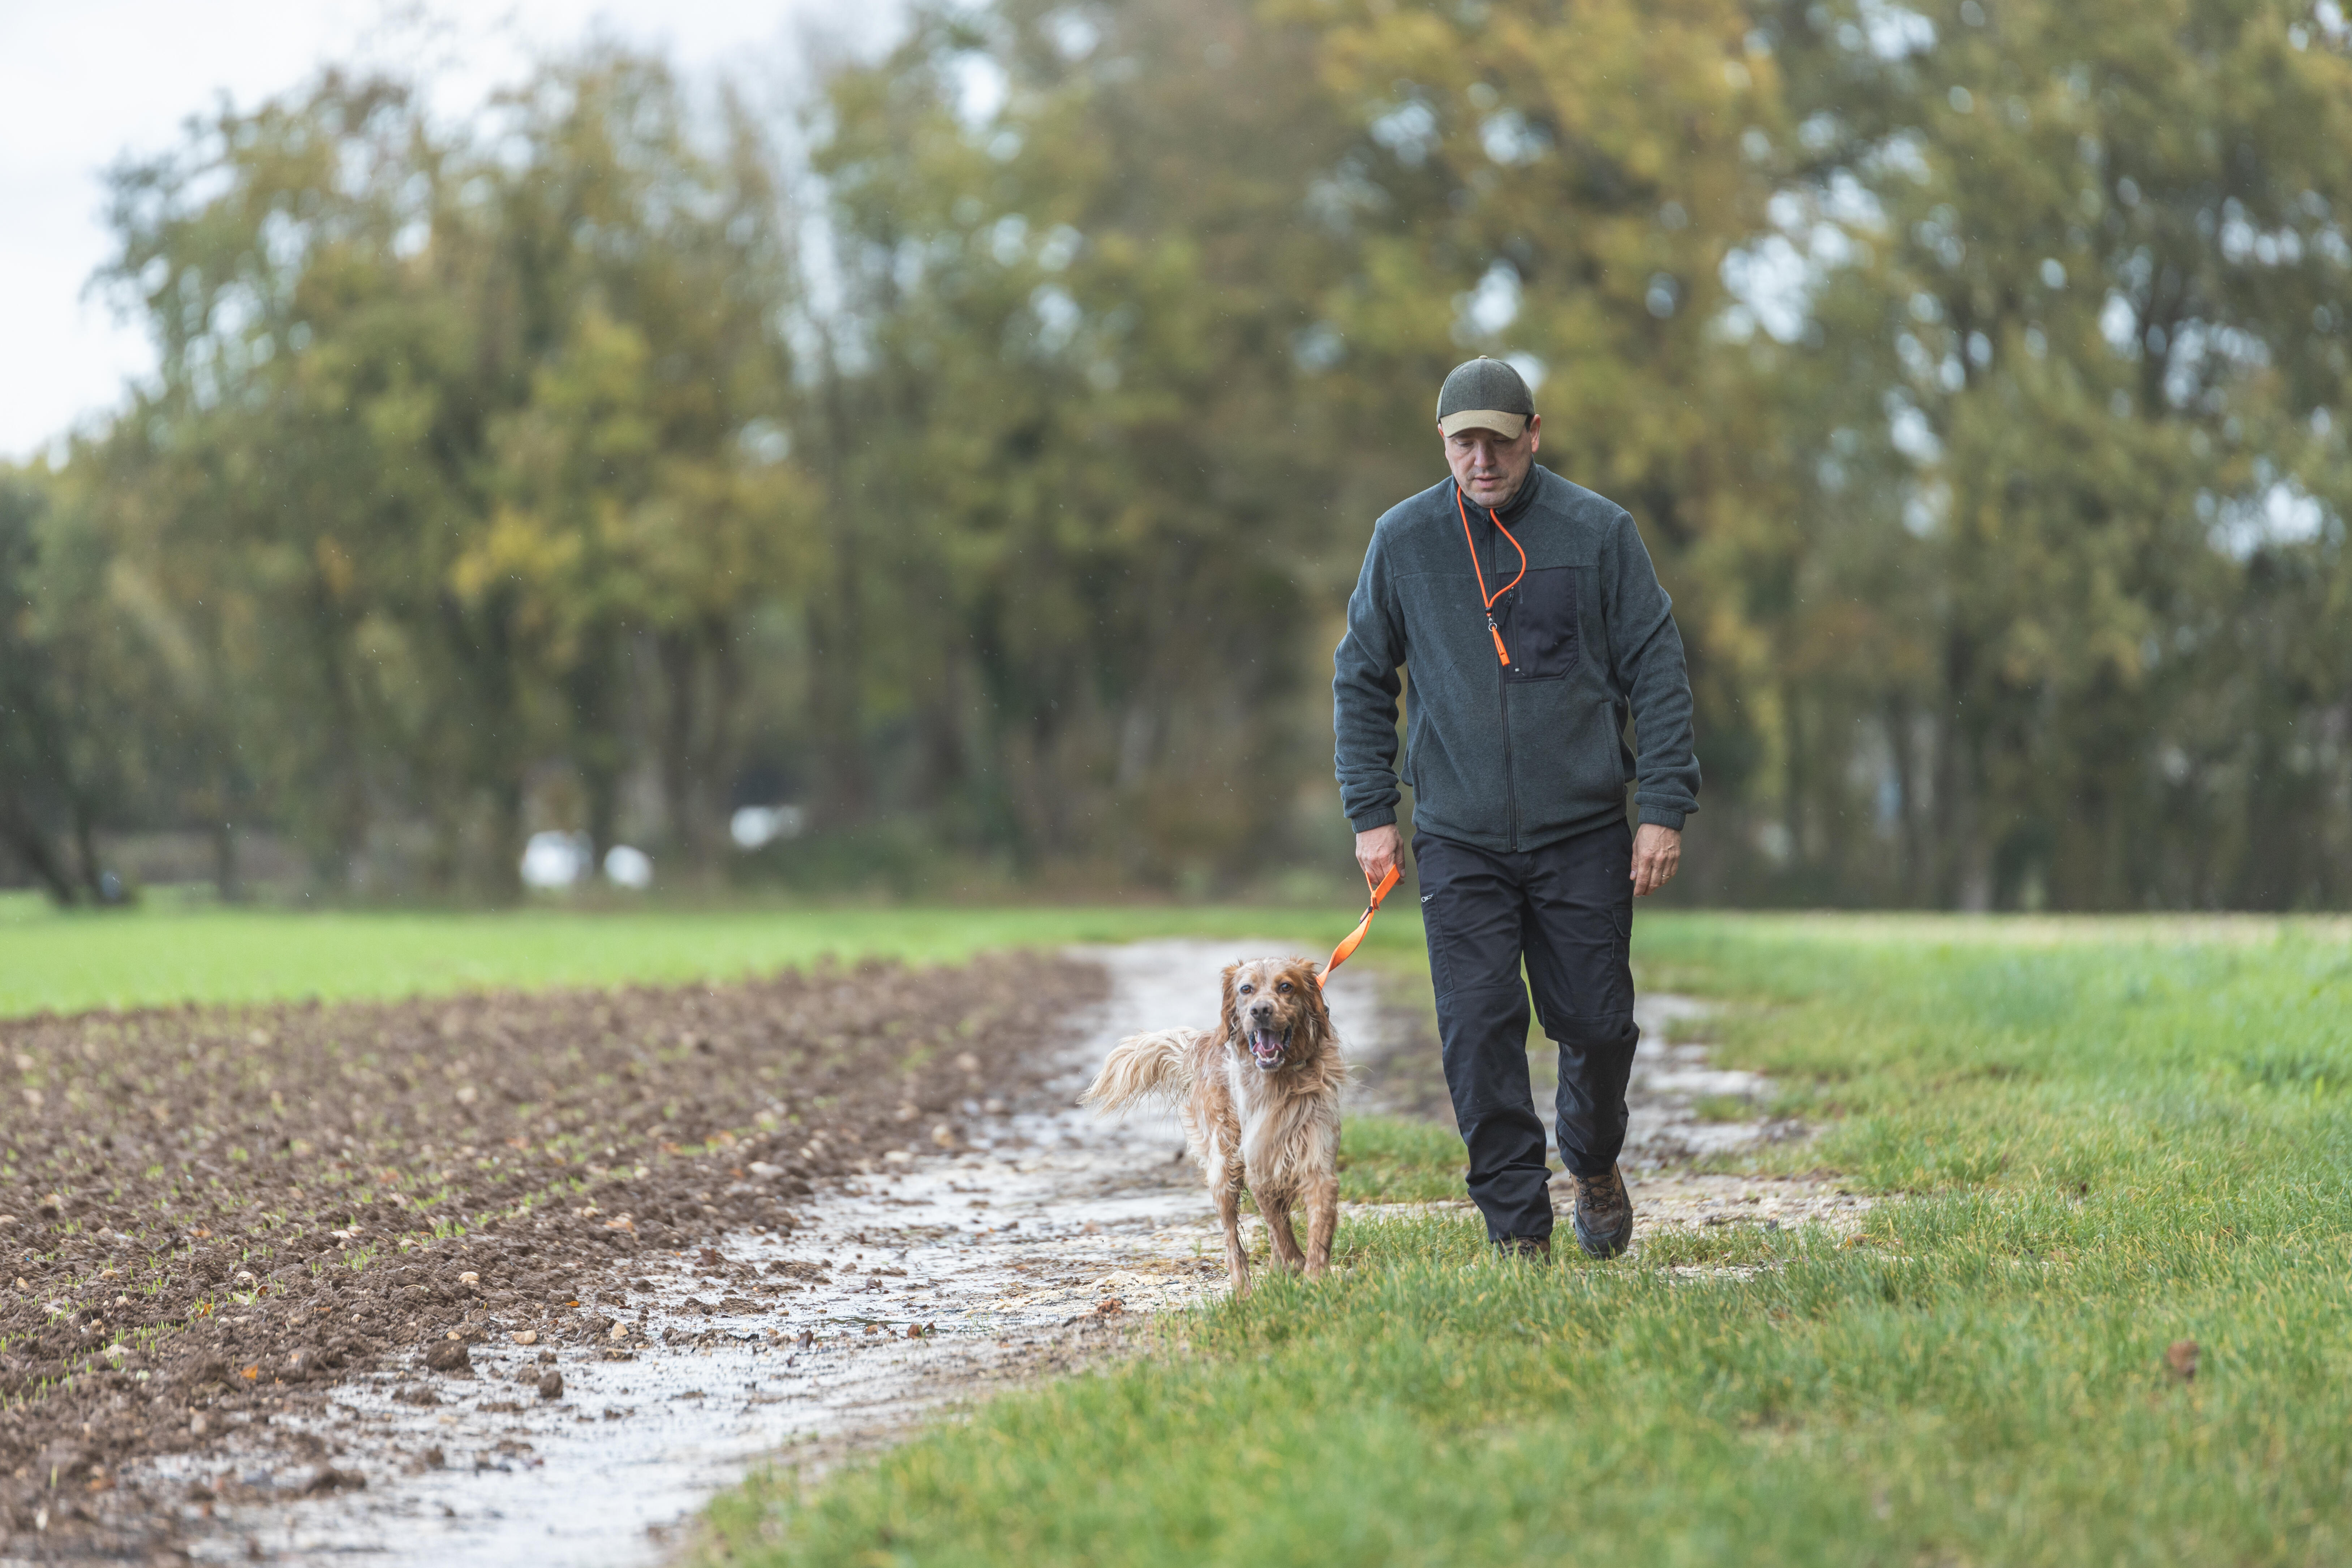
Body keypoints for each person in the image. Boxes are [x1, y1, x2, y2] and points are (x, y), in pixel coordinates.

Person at [1333, 356, 1699, 1260]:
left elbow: (1657, 668)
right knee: (1479, 1027)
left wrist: (1662, 805)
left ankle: (1596, 1161)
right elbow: (1361, 677)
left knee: (1598, 1023)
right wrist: (1372, 812)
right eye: (1466, 442)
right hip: (1459, 837)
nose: (1483, 459)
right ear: (1445, 444)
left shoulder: (1599, 532)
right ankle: (1518, 1234)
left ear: (1534, 433)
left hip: (1581, 832)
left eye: (1500, 439)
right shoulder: (1404, 538)